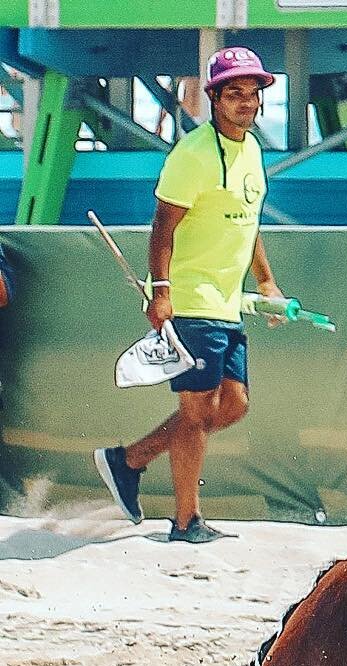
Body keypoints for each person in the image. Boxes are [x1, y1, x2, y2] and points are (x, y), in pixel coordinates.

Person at [94, 47, 286, 543]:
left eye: (253, 94)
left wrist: (265, 281)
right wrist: (161, 292)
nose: (246, 103)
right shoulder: (193, 154)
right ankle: (186, 521)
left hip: (228, 303)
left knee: (234, 405)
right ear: (215, 98)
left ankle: (129, 460)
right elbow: (162, 230)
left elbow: (250, 223)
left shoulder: (253, 150)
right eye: (235, 94)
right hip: (191, 301)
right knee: (197, 414)